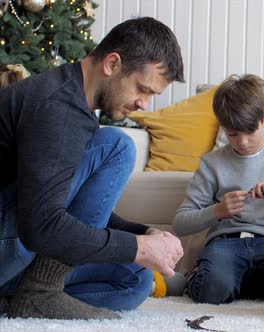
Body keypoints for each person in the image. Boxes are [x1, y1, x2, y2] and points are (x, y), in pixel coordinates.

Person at [0, 17, 185, 320]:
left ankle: (15, 300)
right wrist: (137, 246)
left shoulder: (74, 102)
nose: (144, 104)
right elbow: (42, 226)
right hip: (18, 239)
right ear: (112, 64)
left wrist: (143, 234)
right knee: (116, 145)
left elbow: (62, 201)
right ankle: (40, 292)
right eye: (143, 89)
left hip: (17, 241)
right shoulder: (56, 107)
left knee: (136, 279)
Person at [173, 74, 264, 304]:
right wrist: (217, 211)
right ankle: (204, 279)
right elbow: (180, 223)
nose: (242, 142)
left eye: (250, 132)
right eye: (233, 134)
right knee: (212, 291)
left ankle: (241, 283)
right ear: (222, 127)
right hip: (227, 243)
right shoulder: (211, 163)